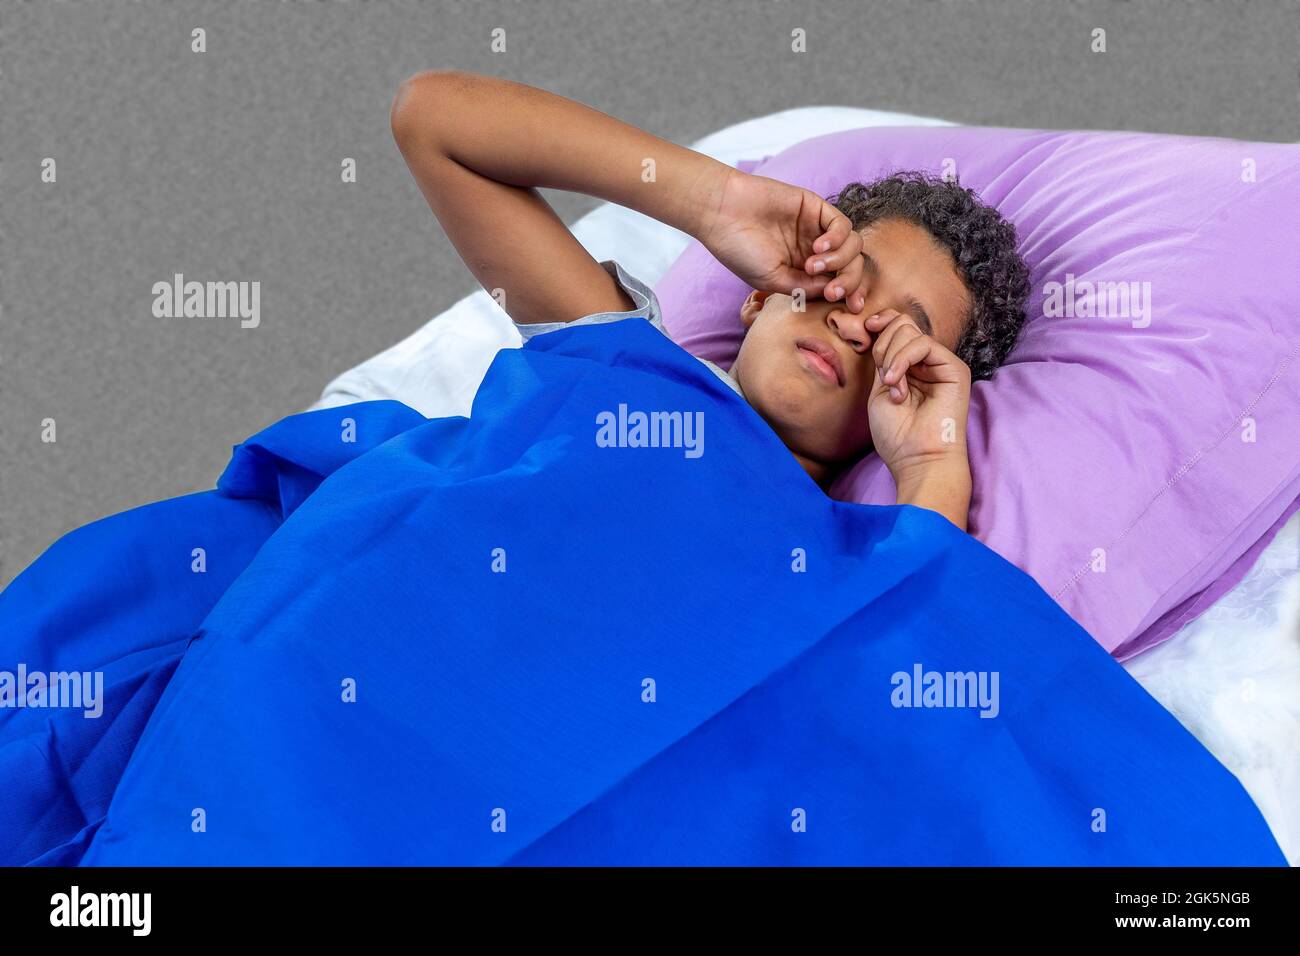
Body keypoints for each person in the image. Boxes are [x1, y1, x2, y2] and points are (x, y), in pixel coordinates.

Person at [389, 71, 1030, 530]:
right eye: (847, 278)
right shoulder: (629, 361)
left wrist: (929, 463)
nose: (854, 324)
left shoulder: (835, 557)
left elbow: (913, 654)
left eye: (895, 332)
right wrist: (714, 201)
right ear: (759, 297)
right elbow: (435, 122)